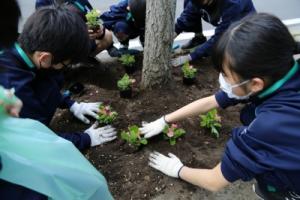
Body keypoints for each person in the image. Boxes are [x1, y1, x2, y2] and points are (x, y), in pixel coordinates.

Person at [140, 13, 300, 199]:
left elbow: (214, 180)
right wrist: (165, 119)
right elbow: (212, 101)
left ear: (256, 84)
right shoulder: (279, 72)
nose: (222, 80)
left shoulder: (271, 126)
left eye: (225, 74)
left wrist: (178, 169)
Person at [0, 6, 117, 151]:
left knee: (51, 74)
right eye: (65, 63)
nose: (64, 67)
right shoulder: (13, 91)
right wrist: (85, 139)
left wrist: (72, 104)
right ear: (44, 57)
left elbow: (46, 78)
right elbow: (37, 139)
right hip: (8, 148)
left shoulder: (23, 45)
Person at [171, 0, 256, 67]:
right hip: (218, 13)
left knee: (232, 56)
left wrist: (191, 56)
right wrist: (174, 33)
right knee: (190, 4)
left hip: (243, 25)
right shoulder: (197, 2)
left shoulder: (233, 3)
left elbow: (219, 37)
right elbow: (188, 14)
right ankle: (198, 39)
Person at [35, 0, 119, 58]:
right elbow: (45, 30)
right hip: (60, 42)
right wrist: (79, 31)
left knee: (107, 35)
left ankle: (85, 59)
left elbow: (92, 16)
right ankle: (63, 68)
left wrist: (99, 29)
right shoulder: (43, 2)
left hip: (82, 38)